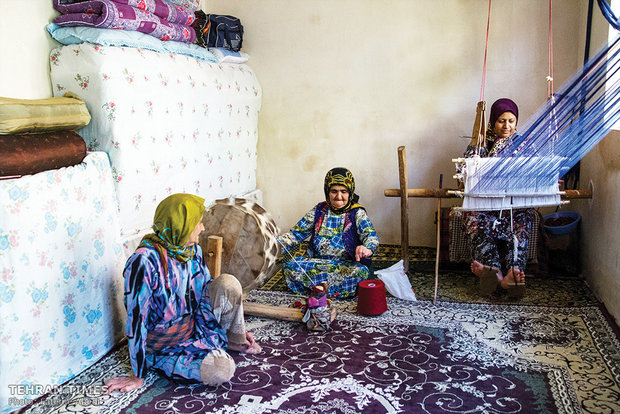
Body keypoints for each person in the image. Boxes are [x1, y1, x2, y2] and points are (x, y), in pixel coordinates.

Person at [105, 193, 261, 393]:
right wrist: (137, 375)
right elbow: (137, 320)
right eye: (198, 223)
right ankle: (166, 362)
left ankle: (233, 341)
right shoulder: (144, 262)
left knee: (228, 284)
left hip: (195, 329)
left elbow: (205, 294)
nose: (203, 228)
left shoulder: (191, 250)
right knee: (222, 370)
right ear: (181, 225)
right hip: (164, 347)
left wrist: (222, 333)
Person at [461, 98, 534, 297]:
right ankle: (494, 271)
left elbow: (536, 170)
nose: (507, 126)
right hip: (486, 205)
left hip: (513, 205)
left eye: (511, 120)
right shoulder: (481, 145)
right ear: (493, 121)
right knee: (474, 218)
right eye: (502, 120)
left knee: (523, 220)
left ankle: (513, 272)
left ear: (516, 122)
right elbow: (464, 170)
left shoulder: (524, 145)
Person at [277, 167, 380, 299]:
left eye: (344, 191)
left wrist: (367, 248)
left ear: (350, 192)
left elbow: (371, 237)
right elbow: (296, 234)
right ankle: (330, 290)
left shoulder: (357, 213)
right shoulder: (319, 210)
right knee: (290, 267)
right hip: (317, 263)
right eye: (334, 191)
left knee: (359, 273)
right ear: (327, 192)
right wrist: (272, 244)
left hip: (345, 266)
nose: (339, 197)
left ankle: (317, 290)